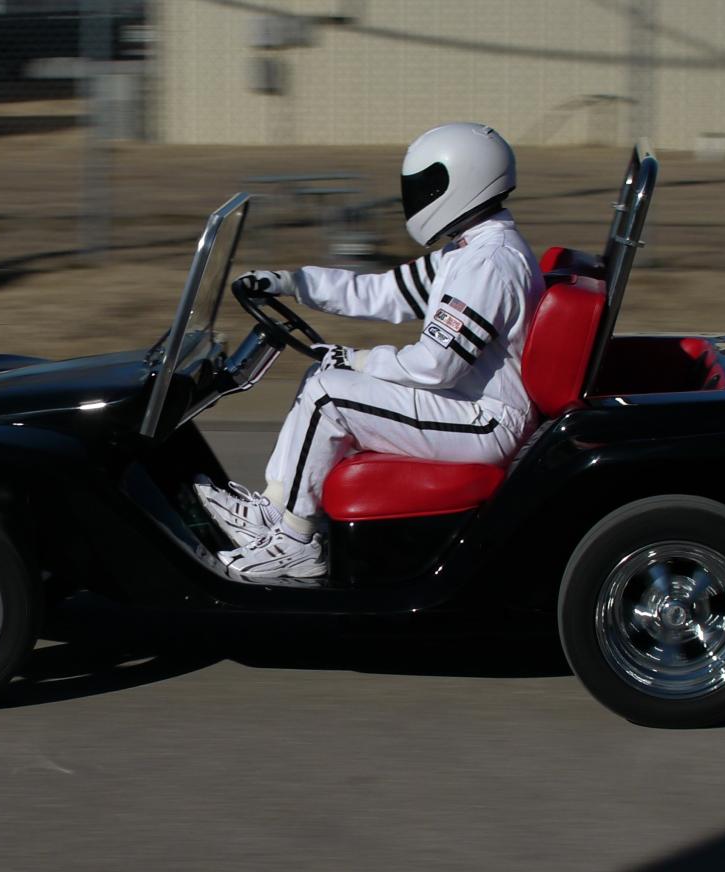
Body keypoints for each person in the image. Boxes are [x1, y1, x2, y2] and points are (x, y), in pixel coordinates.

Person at [198, 122, 545, 580]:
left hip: (484, 421)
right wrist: (292, 282)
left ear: (458, 182)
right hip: (469, 405)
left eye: (425, 185)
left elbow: (436, 366)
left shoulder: (488, 263)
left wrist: (357, 359)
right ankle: (276, 511)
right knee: (321, 382)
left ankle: (296, 542)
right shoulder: (468, 249)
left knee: (329, 394)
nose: (416, 196)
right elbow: (382, 293)